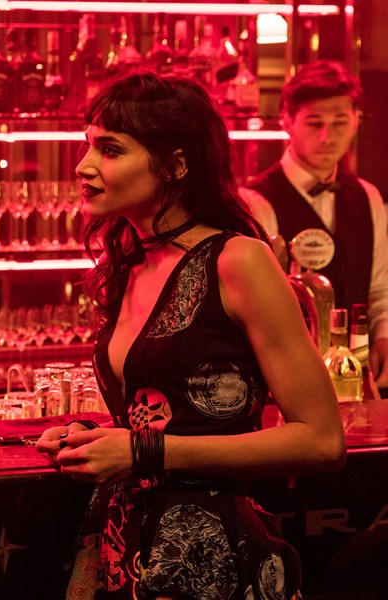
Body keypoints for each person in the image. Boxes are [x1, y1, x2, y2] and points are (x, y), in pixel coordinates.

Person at [36, 72, 346, 600]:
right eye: (87, 146)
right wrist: (93, 439)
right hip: (126, 548)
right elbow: (165, 411)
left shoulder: (239, 259)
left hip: (210, 560)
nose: (84, 167)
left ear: (177, 165)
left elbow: (321, 440)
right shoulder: (132, 260)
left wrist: (144, 451)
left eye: (109, 150)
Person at [241, 60, 388, 390]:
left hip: (359, 373)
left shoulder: (368, 195)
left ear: (356, 122)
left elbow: (379, 287)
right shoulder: (255, 201)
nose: (327, 136)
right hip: (288, 382)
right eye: (314, 123)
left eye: (339, 122)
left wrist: (383, 337)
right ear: (287, 121)